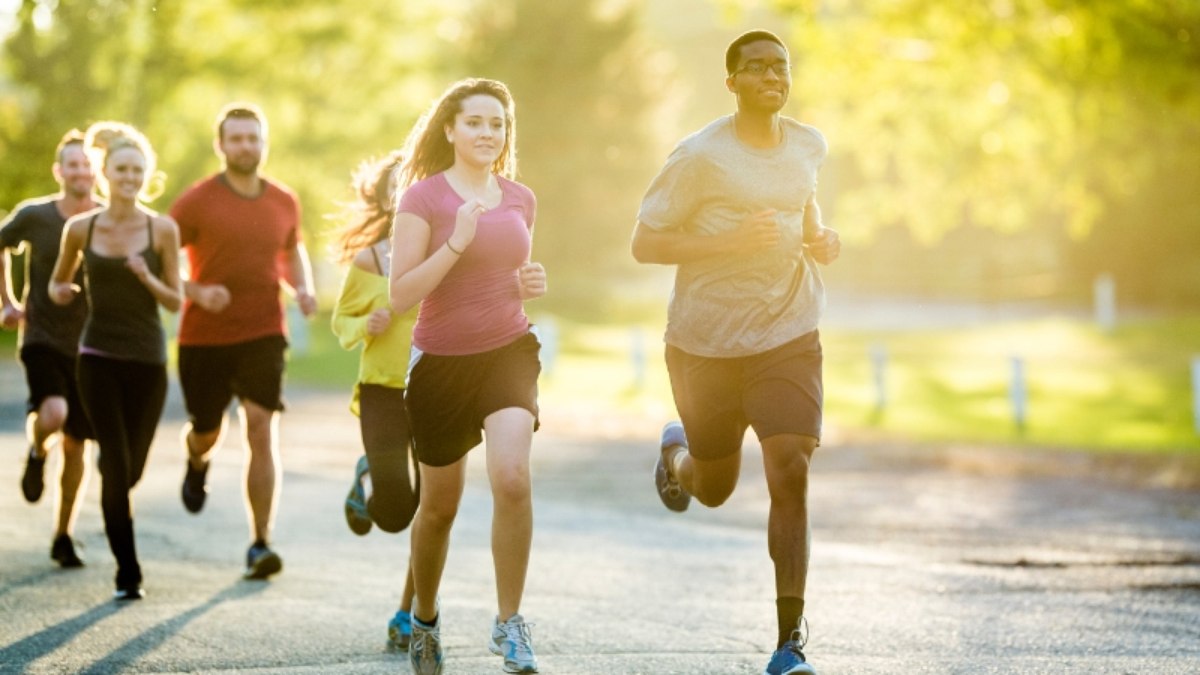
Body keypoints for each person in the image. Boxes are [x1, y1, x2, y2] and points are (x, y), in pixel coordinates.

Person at [630, 30, 842, 675]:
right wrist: (730, 245)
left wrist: (819, 238)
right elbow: (645, 244)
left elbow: (801, 209)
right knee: (715, 488)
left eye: (781, 67)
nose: (774, 77)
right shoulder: (699, 156)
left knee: (791, 469)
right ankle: (679, 456)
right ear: (733, 82)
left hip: (788, 332)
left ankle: (790, 641)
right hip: (706, 343)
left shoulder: (808, 144)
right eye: (758, 68)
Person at [388, 78, 547, 675]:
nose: (488, 134)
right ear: (450, 129)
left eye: (498, 124)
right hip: (440, 364)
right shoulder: (422, 200)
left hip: (508, 349)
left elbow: (513, 271)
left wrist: (531, 283)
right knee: (439, 509)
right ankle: (424, 617)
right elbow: (401, 294)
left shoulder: (520, 197)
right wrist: (455, 241)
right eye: (476, 122)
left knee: (511, 478)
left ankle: (510, 623)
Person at [169, 102, 318, 580]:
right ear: (221, 146)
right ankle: (196, 457)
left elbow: (293, 252)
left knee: (260, 427)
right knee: (208, 429)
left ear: (263, 143)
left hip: (263, 331)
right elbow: (160, 260)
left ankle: (260, 542)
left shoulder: (283, 201)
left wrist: (305, 287)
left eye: (253, 138)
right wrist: (194, 290)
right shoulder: (195, 202)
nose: (246, 146)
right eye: (236, 139)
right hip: (204, 336)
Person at [48, 121, 181, 600]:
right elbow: (56, 284)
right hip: (97, 358)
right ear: (105, 173)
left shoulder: (161, 228)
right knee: (116, 471)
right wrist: (61, 292)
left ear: (146, 175)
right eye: (121, 169)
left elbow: (175, 302)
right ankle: (128, 572)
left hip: (148, 362)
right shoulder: (80, 228)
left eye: (138, 170)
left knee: (129, 469)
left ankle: (116, 477)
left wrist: (147, 277)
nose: (130, 177)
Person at [329, 150, 420, 651]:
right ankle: (368, 476)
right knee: (394, 514)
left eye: (416, 184)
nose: (406, 194)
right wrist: (366, 325)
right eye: (396, 187)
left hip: (438, 388)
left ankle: (411, 611)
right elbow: (340, 320)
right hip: (383, 391)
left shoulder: (448, 252)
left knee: (433, 508)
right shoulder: (371, 259)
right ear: (385, 200)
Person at [1, 130, 98, 568]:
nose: (80, 172)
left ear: (96, 170)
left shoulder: (108, 218)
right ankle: (39, 449)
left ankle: (63, 533)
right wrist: (6, 301)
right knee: (54, 415)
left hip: (92, 346)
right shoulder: (35, 216)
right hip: (41, 335)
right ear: (60, 172)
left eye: (86, 164)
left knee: (78, 446)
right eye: (72, 165)